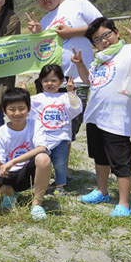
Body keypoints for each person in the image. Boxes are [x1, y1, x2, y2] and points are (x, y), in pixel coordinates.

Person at [73, 18, 131, 217]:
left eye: (106, 35)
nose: (103, 41)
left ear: (116, 33)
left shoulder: (129, 51)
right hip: (95, 117)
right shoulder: (98, 60)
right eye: (97, 39)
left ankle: (124, 204)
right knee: (100, 158)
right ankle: (102, 191)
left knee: (121, 162)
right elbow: (90, 81)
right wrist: (80, 65)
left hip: (116, 119)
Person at [26, 0, 103, 138]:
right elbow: (43, 53)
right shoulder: (44, 22)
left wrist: (71, 33)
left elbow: (102, 27)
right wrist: (38, 34)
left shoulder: (78, 3)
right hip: (53, 83)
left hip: (79, 80)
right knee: (53, 130)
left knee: (70, 130)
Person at [0, 88, 52, 221]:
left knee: (43, 158)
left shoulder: (35, 125)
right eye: (12, 109)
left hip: (27, 174)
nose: (17, 113)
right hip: (7, 175)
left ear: (29, 108)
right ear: (4, 111)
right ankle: (8, 191)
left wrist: (13, 161)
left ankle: (37, 204)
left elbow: (42, 147)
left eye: (21, 108)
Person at [30, 65, 82, 194]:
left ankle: (60, 186)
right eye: (46, 80)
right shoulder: (36, 99)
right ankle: (40, 184)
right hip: (43, 139)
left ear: (61, 81)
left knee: (60, 164)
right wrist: (23, 93)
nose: (50, 84)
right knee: (41, 163)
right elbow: (26, 109)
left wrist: (71, 92)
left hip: (61, 138)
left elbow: (76, 109)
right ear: (41, 81)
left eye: (53, 80)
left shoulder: (65, 97)